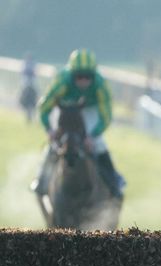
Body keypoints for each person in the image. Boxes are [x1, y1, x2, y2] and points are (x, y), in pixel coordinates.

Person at [33, 48, 124, 199]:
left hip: (89, 110)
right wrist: (49, 129)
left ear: (93, 75)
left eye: (88, 76)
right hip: (65, 110)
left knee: (99, 144)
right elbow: (44, 107)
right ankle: (42, 179)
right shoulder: (62, 81)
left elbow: (106, 116)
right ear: (72, 74)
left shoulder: (101, 85)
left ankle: (114, 182)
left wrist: (92, 135)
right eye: (79, 76)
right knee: (55, 144)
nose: (83, 81)